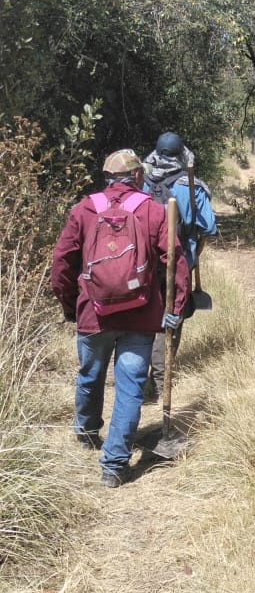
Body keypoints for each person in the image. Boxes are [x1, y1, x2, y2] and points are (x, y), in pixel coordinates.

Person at [51, 149, 191, 487]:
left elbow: (61, 264)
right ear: (138, 177)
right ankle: (113, 466)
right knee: (129, 388)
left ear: (107, 178)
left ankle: (86, 433)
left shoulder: (85, 209)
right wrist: (174, 310)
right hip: (140, 317)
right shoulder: (153, 211)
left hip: (93, 314)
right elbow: (176, 263)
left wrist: (72, 305)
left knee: (90, 376)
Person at [143, 131, 217, 398]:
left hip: (144, 263)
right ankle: (161, 380)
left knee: (146, 315)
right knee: (172, 317)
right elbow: (208, 227)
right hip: (179, 262)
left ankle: (142, 380)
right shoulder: (192, 187)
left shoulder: (141, 184)